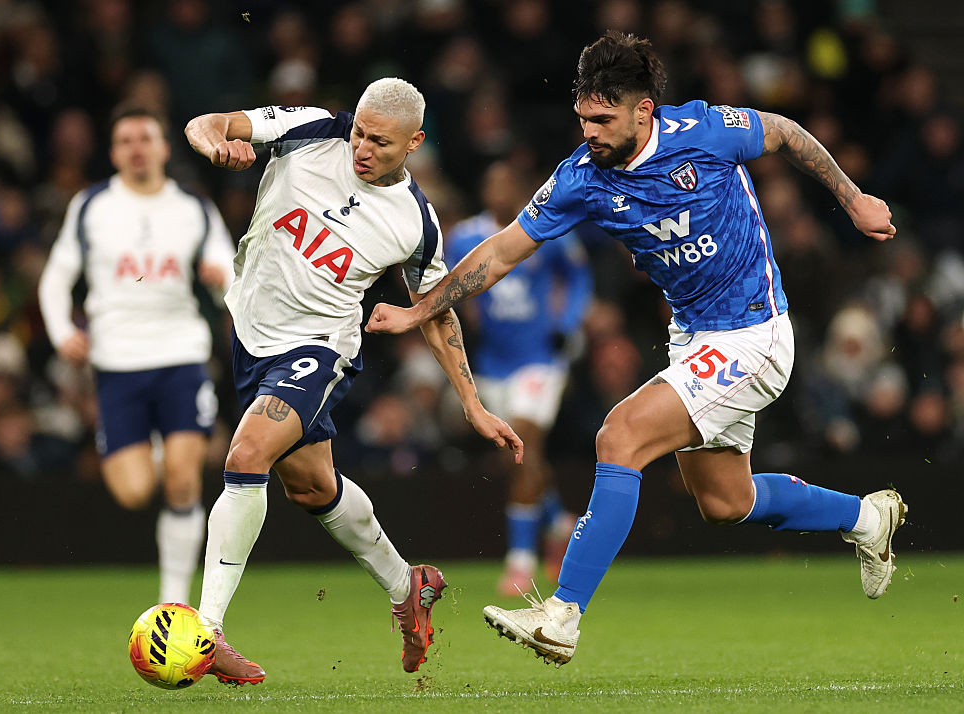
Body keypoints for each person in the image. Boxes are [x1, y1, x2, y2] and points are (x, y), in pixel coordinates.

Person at [366, 33, 907, 666]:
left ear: (643, 110)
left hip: (754, 333)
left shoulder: (705, 131)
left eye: (603, 118)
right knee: (727, 502)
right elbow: (503, 250)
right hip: (695, 338)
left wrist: (852, 200)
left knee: (617, 437)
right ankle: (867, 520)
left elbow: (785, 131)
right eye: (582, 118)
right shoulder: (581, 178)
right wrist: (420, 310)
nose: (589, 132)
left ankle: (562, 616)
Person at [183, 77, 523, 684]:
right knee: (312, 488)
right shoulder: (312, 129)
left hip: (318, 348)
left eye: (381, 143)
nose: (362, 149)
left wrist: (470, 400)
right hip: (250, 333)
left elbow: (436, 309)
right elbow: (208, 120)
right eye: (360, 133)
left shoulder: (414, 221)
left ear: (416, 143)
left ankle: (207, 633)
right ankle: (407, 586)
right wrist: (215, 142)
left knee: (247, 452)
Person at [38, 106, 235, 606]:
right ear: (113, 152)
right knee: (132, 491)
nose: (137, 148)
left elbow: (232, 273)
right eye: (126, 140)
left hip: (180, 354)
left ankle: (175, 603)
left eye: (146, 138)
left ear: (165, 148)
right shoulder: (91, 205)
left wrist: (218, 281)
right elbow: (56, 277)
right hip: (117, 363)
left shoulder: (193, 206)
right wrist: (63, 333)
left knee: (184, 480)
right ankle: (156, 447)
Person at [446, 161, 592, 595]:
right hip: (489, 363)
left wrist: (566, 320)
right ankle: (561, 523)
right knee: (513, 455)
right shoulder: (465, 237)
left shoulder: (546, 228)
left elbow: (580, 275)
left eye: (508, 183)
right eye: (492, 183)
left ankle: (520, 563)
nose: (499, 191)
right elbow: (450, 286)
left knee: (524, 442)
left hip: (539, 359)